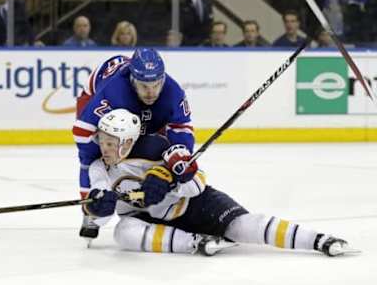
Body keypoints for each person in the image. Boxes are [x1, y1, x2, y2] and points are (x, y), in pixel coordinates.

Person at [84, 108, 359, 257]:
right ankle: (196, 243)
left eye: (110, 142)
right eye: (102, 141)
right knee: (123, 232)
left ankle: (320, 241)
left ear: (128, 142)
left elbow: (198, 184)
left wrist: (171, 182)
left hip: (195, 206)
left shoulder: (160, 150)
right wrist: (99, 208)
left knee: (242, 227)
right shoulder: (99, 167)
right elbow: (97, 215)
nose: (104, 147)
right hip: (157, 222)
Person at [72, 48, 197, 244]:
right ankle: (90, 214)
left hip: (136, 109)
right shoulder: (113, 91)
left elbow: (182, 128)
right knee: (99, 156)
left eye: (156, 85)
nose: (151, 92)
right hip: (97, 98)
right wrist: (90, 197)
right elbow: (82, 131)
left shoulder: (173, 91)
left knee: (152, 145)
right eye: (144, 86)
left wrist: (179, 155)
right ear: (132, 79)